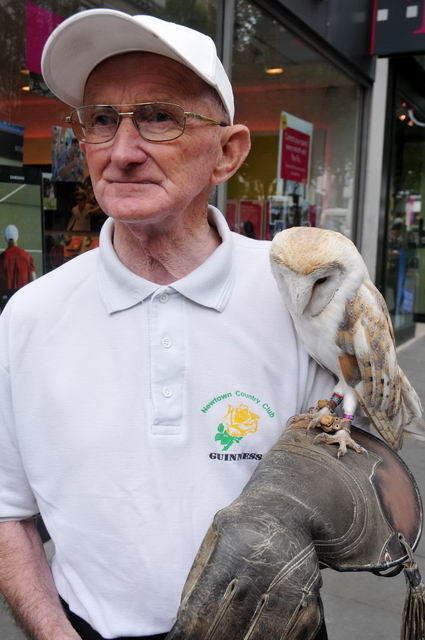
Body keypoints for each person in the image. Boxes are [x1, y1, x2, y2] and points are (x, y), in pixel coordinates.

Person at [0, 10, 333, 640]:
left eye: (159, 117)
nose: (123, 152)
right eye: (102, 120)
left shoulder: (297, 294)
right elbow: (8, 512)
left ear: (228, 152)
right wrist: (53, 633)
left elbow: (347, 480)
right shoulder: (30, 316)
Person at [0, 224, 36, 311]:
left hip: (6, 299)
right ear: (17, 237)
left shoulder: (2, 258)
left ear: (5, 238)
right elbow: (33, 279)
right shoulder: (27, 257)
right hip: (23, 297)